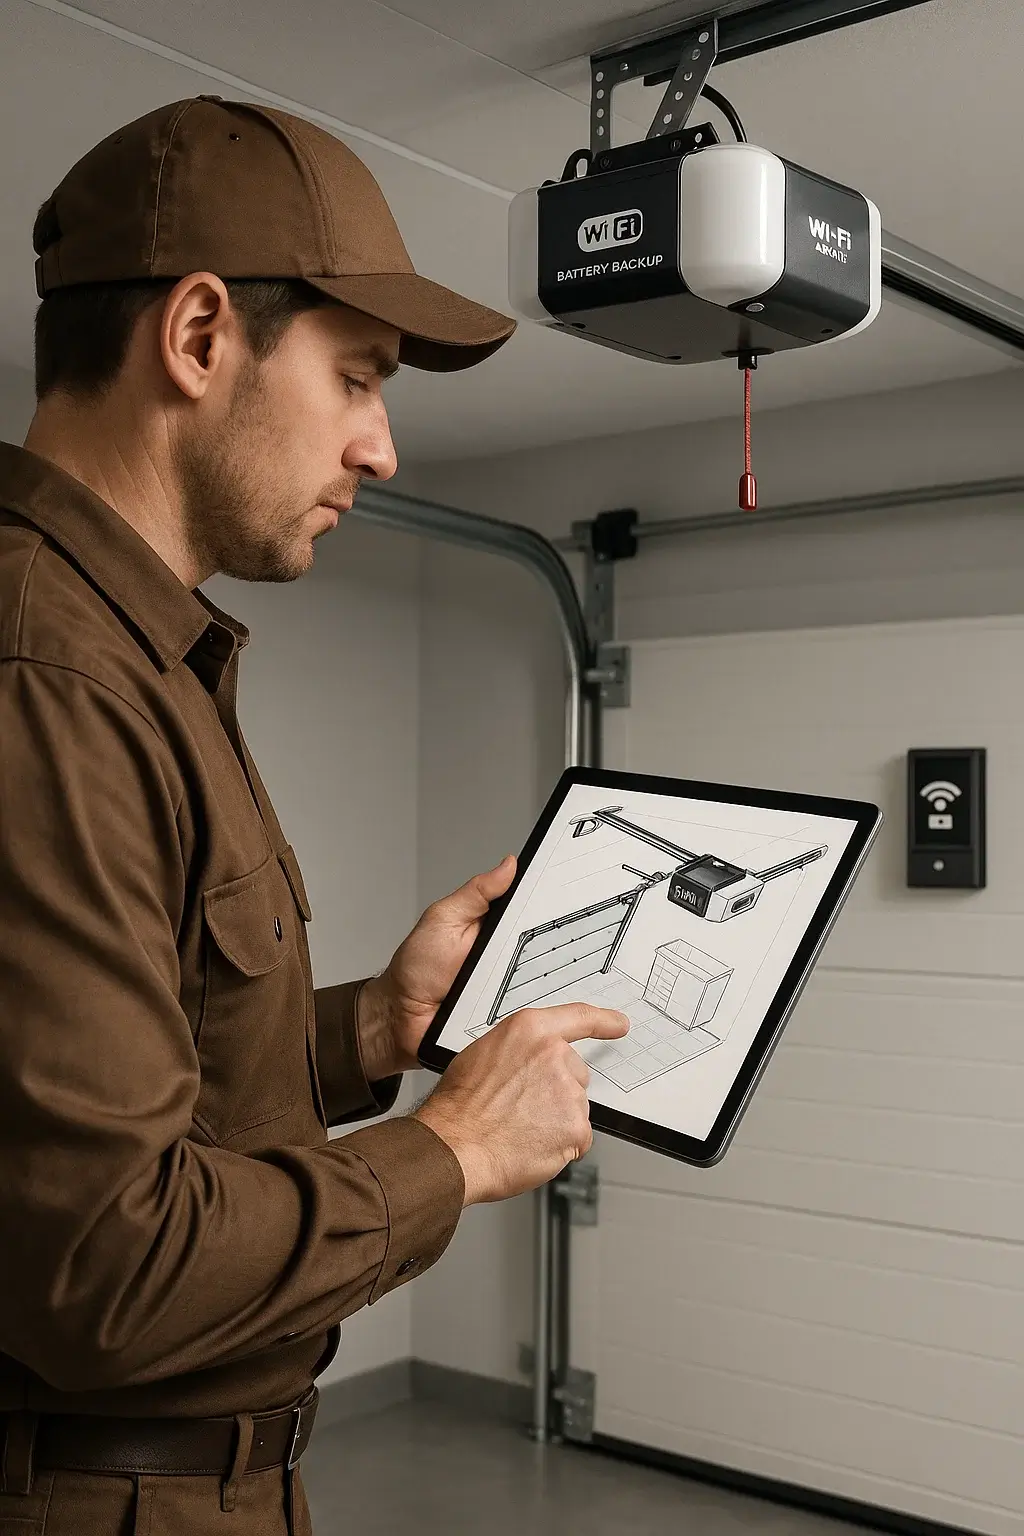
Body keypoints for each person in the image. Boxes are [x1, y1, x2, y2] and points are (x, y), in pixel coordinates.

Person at [0, 97, 629, 1536]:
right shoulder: (49, 675)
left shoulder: (135, 655)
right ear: (198, 335)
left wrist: (371, 1033)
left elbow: (135, 1089)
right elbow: (103, 1267)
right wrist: (453, 1150)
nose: (382, 448)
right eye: (356, 378)